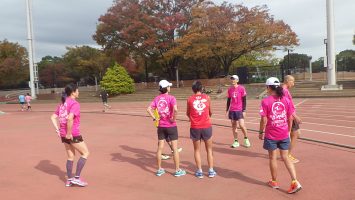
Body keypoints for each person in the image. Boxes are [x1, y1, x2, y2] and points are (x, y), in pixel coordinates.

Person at [258, 77, 302, 194]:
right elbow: (290, 117)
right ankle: (295, 181)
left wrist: (260, 132)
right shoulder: (285, 100)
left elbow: (263, 119)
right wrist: (287, 130)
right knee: (286, 157)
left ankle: (274, 181)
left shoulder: (266, 101)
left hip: (271, 135)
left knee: (273, 157)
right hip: (283, 134)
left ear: (268, 87)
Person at [50, 83, 90, 187]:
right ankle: (76, 178)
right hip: (72, 134)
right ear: (73, 92)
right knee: (85, 153)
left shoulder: (62, 103)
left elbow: (52, 117)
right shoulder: (74, 103)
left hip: (63, 134)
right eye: (77, 90)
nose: (78, 92)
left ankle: (69, 180)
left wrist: (58, 130)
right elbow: (70, 118)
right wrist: (68, 133)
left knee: (70, 156)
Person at [147, 80, 186, 177]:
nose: (170, 87)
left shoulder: (157, 98)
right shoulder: (172, 98)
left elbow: (148, 109)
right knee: (175, 149)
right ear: (167, 88)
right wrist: (173, 119)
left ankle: (159, 169)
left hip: (161, 126)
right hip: (171, 126)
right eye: (169, 86)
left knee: (160, 148)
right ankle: (177, 170)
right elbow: (176, 109)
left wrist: (155, 118)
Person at [186, 81, 216, 178]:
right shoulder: (207, 97)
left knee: (197, 150)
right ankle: (211, 170)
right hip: (206, 126)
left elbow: (188, 113)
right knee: (209, 149)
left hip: (195, 127)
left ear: (193, 89)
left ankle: (199, 171)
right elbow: (210, 112)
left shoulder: (189, 99)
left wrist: (194, 120)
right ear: (201, 88)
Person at [226, 75, 251, 148]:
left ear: (237, 80)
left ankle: (246, 138)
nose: (232, 81)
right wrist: (227, 110)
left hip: (239, 109)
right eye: (231, 79)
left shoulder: (241, 88)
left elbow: (244, 100)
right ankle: (236, 141)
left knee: (241, 125)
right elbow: (228, 100)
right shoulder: (230, 89)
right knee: (234, 126)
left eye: (233, 79)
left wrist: (244, 110)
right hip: (232, 110)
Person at [282, 75, 302, 163]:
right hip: (290, 116)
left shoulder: (284, 90)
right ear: (287, 81)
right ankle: (287, 155)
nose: (293, 84)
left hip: (290, 115)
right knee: (295, 134)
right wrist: (295, 116)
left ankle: (286, 153)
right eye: (292, 82)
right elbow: (287, 106)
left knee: (296, 134)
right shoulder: (284, 91)